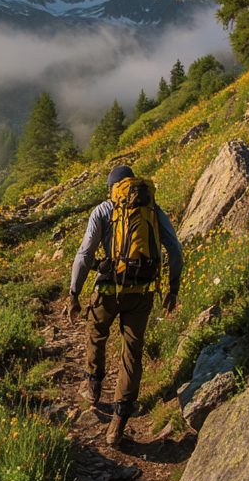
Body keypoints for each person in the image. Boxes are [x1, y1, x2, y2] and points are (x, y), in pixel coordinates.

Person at [62, 164, 183, 447]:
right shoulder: (152, 209)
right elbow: (175, 249)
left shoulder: (104, 210)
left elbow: (84, 254)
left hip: (108, 287)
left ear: (112, 188)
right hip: (142, 292)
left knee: (96, 332)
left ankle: (93, 386)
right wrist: (172, 289)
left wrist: (74, 293)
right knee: (132, 351)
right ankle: (119, 422)